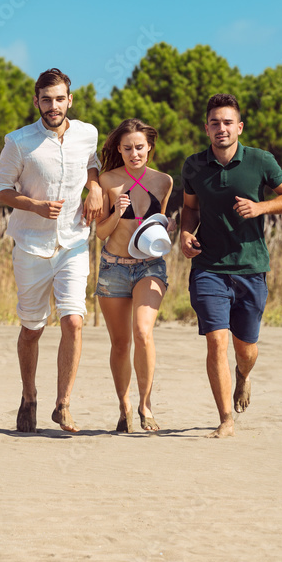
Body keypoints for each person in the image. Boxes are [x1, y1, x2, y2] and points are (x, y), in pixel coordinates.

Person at [179, 93, 282, 438]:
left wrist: (260, 208)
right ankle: (225, 421)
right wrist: (186, 234)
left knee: (244, 348)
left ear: (240, 127)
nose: (222, 128)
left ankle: (243, 376)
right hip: (209, 267)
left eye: (228, 122)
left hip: (250, 267)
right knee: (216, 341)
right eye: (215, 122)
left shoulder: (261, 161)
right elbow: (190, 208)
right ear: (206, 128)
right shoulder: (193, 166)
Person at [0, 68, 103, 433]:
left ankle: (63, 404)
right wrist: (34, 206)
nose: (53, 106)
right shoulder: (18, 141)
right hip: (31, 246)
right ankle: (29, 396)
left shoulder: (88, 133)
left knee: (73, 320)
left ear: (69, 100)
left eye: (60, 99)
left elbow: (93, 164)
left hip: (74, 242)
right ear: (36, 101)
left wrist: (96, 188)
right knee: (32, 329)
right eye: (46, 99)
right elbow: (1, 190)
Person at [94, 118, 173, 433]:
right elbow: (100, 232)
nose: (134, 153)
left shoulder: (163, 181)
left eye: (140, 147)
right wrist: (116, 212)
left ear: (149, 147)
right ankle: (125, 406)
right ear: (119, 149)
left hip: (150, 266)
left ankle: (146, 405)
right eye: (127, 148)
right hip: (113, 266)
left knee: (143, 332)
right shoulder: (107, 180)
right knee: (120, 343)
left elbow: (159, 224)